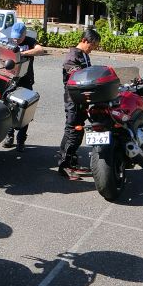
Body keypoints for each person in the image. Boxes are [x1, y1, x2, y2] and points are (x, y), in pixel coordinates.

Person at [58, 28, 101, 179]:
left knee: (78, 130)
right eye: (92, 45)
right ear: (84, 40)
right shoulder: (72, 57)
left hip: (82, 99)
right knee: (72, 131)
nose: (92, 49)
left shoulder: (84, 55)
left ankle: (72, 162)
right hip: (73, 99)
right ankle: (64, 166)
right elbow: (78, 76)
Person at [0, 21, 46, 152]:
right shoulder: (9, 41)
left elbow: (40, 50)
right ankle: (9, 136)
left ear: (24, 34)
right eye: (14, 37)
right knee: (8, 109)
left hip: (26, 81)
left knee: (24, 111)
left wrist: (22, 54)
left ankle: (21, 140)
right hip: (11, 80)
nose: (16, 40)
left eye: (19, 38)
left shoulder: (30, 41)